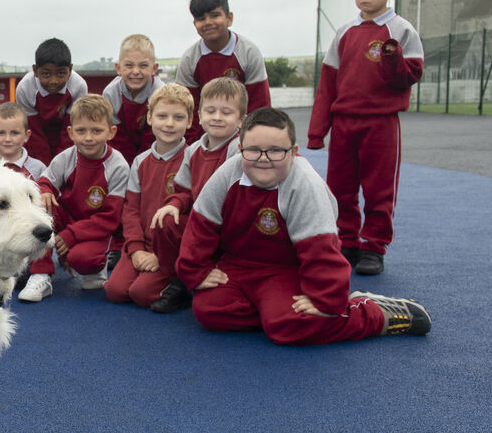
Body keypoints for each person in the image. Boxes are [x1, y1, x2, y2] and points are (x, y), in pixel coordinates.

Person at [175, 107, 431, 345]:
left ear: (293, 151)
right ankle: (274, 313)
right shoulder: (227, 175)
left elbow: (321, 251)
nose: (263, 159)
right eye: (253, 150)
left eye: (276, 151)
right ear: (240, 149)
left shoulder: (304, 184)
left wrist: (326, 299)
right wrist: (196, 271)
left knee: (291, 323)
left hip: (288, 269)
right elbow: (200, 228)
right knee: (209, 310)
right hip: (238, 265)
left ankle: (372, 313)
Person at [308, 0, 424, 276]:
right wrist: (317, 131)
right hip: (344, 124)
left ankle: (373, 246)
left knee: (379, 188)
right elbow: (328, 84)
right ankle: (347, 242)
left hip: (381, 123)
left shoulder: (401, 30)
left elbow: (409, 76)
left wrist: (393, 59)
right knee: (340, 187)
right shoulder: (345, 32)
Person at [148, 77, 247, 314]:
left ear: (241, 120)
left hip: (228, 230)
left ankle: (219, 271)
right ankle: (178, 281)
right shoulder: (193, 150)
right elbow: (184, 192)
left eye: (226, 112)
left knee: (217, 304)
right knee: (166, 219)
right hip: (201, 224)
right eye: (210, 111)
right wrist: (174, 203)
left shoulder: (240, 150)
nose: (217, 117)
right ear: (200, 116)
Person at [19, 94, 130, 302]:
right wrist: (46, 190)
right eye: (81, 131)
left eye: (96, 131)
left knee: (82, 259)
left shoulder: (118, 167)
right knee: (41, 204)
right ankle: (41, 274)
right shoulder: (66, 157)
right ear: (71, 132)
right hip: (67, 217)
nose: (88, 137)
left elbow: (111, 217)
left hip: (97, 229)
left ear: (111, 132)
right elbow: (45, 181)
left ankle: (95, 266)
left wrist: (70, 235)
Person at [103, 84, 191, 308]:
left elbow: (192, 217)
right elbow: (131, 210)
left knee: (141, 294)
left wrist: (160, 257)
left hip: (170, 250)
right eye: (162, 116)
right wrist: (135, 250)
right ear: (150, 118)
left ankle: (180, 282)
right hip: (142, 243)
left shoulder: (192, 159)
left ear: (190, 121)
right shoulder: (140, 161)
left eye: (178, 117)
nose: (169, 123)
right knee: (115, 291)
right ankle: (144, 265)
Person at [175, 0, 270, 143]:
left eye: (215, 15)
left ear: (229, 18)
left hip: (243, 140)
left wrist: (250, 145)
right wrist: (195, 149)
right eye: (201, 18)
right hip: (205, 141)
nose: (208, 22)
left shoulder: (248, 52)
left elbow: (259, 106)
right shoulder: (189, 59)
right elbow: (188, 110)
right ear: (195, 24)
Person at [15, 38, 88, 165]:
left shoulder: (78, 86)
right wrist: (44, 168)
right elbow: (34, 134)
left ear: (70, 70)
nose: (54, 81)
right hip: (37, 138)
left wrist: (61, 165)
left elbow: (71, 129)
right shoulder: (25, 88)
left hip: (66, 137)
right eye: (46, 74)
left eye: (61, 73)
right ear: (35, 71)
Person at [102, 34, 166, 163]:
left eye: (143, 65)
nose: (136, 71)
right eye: (129, 65)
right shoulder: (110, 94)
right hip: (122, 155)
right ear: (118, 68)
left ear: (154, 69)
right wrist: (127, 167)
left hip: (155, 152)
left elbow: (155, 137)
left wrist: (141, 166)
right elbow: (117, 138)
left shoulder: (161, 94)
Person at [0, 102, 47, 180]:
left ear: (26, 136)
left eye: (15, 133)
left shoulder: (38, 169)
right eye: (1, 133)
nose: (7, 139)